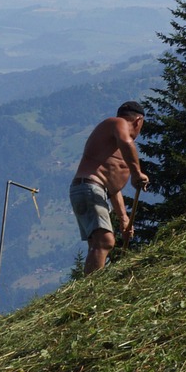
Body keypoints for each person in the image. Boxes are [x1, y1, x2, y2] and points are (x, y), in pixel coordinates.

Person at [69, 101, 149, 275]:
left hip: (90, 189)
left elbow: (112, 188)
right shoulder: (118, 123)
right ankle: (91, 290)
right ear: (138, 121)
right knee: (104, 241)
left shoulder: (114, 145)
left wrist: (123, 218)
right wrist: (136, 173)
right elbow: (127, 143)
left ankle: (90, 286)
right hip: (90, 187)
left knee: (97, 243)